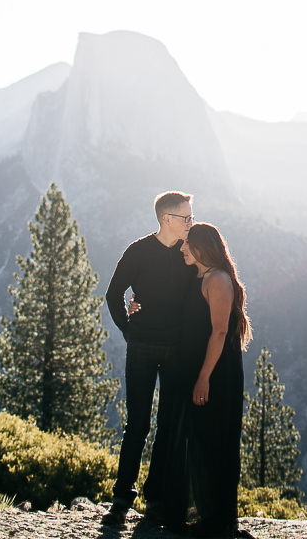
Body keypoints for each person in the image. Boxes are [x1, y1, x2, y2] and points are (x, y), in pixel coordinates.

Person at [102, 191, 197, 526]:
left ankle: (157, 500)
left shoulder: (189, 253)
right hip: (141, 347)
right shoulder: (138, 251)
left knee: (169, 426)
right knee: (138, 424)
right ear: (167, 219)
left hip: (177, 350)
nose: (191, 222)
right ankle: (121, 500)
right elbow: (113, 293)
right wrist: (129, 330)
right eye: (186, 217)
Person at [163, 222, 252, 538]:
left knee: (213, 441)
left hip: (215, 374)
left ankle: (215, 522)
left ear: (203, 247)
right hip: (198, 372)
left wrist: (203, 377)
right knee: (198, 440)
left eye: (188, 244)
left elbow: (220, 331)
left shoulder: (217, 279)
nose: (183, 248)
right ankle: (200, 515)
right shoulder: (199, 276)